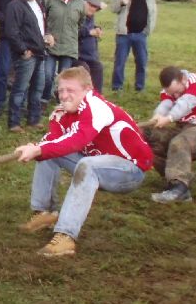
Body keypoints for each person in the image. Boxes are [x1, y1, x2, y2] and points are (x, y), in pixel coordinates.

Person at [14, 66, 153, 258]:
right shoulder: (60, 114)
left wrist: (39, 148)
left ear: (87, 90)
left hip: (129, 170)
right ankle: (44, 212)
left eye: (70, 90)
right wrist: (37, 148)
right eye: (61, 90)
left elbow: (79, 139)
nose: (64, 96)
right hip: (98, 164)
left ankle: (66, 236)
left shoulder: (96, 106)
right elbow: (53, 141)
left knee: (87, 165)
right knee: (47, 153)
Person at [144, 67, 196, 204]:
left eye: (177, 92)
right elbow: (166, 103)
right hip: (184, 129)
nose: (175, 96)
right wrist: (158, 115)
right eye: (172, 93)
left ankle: (179, 189)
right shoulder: (170, 89)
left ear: (183, 80)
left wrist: (169, 118)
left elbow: (186, 103)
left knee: (179, 142)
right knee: (147, 137)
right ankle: (175, 177)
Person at [3, 0, 48, 131]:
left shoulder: (39, 4)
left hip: (40, 52)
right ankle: (14, 123)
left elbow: (40, 27)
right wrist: (23, 50)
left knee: (38, 88)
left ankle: (34, 120)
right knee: (19, 89)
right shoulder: (14, 6)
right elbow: (11, 31)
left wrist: (46, 37)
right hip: (27, 54)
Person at [109, 0, 157, 91]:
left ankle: (140, 87)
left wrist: (148, 30)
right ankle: (117, 87)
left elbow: (153, 13)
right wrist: (121, 3)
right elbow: (113, 9)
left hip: (141, 34)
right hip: (124, 34)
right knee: (120, 63)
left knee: (141, 63)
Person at [44, 0, 86, 100]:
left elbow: (81, 22)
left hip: (69, 45)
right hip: (51, 43)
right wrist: (47, 34)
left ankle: (61, 100)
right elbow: (43, 18)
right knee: (47, 74)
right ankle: (44, 98)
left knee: (64, 77)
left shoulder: (81, 3)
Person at [77, 0, 105, 91]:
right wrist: (89, 32)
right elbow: (72, 31)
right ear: (83, 3)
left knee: (98, 67)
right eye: (90, 5)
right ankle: (83, 96)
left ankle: (96, 97)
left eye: (95, 7)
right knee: (84, 69)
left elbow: (91, 27)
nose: (92, 9)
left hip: (90, 56)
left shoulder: (90, 17)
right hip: (76, 56)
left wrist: (98, 29)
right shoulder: (76, 14)